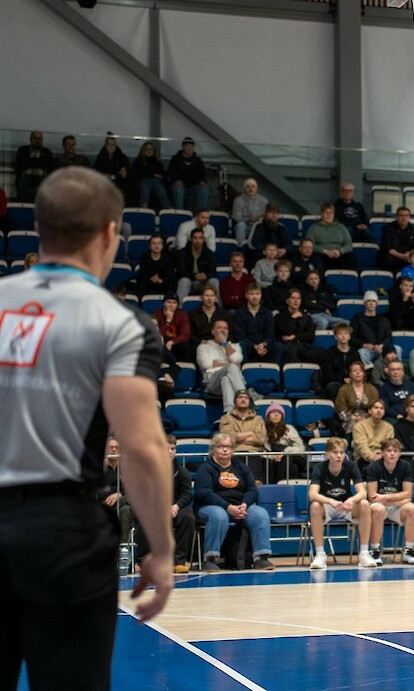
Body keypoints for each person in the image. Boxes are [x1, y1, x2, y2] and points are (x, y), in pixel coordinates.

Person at [1, 168, 177, 685]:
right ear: (109, 234)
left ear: (39, 229)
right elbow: (142, 447)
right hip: (61, 536)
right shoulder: (120, 323)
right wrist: (161, 551)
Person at [193, 433, 275, 571]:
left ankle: (261, 557)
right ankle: (211, 558)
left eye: (228, 447)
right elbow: (204, 493)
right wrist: (228, 507)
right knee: (219, 515)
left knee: (260, 514)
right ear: (213, 449)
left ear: (233, 450)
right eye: (221, 447)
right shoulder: (205, 468)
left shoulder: (242, 467)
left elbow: (252, 490)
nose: (225, 450)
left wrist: (244, 505)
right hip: (210, 506)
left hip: (240, 505)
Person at [135, 436, 196, 575]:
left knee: (188, 517)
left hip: (174, 508)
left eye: (173, 449)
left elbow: (187, 494)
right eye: (166, 448)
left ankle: (179, 561)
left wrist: (177, 506)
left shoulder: (182, 472)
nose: (170, 452)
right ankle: (145, 560)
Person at [307, 437, 366, 570]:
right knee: (315, 506)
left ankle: (364, 553)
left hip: (346, 506)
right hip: (328, 506)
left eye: (341, 452)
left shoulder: (351, 465)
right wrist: (330, 501)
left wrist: (352, 500)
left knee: (364, 504)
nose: (339, 455)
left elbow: (363, 492)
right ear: (327, 454)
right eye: (335, 452)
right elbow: (312, 494)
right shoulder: (319, 468)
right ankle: (320, 554)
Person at [360, 439, 414, 566]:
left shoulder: (405, 466)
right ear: (382, 453)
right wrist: (395, 499)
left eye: (395, 451)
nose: (392, 454)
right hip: (380, 505)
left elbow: (408, 493)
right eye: (388, 451)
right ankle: (375, 551)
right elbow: (372, 496)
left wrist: (386, 498)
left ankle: (408, 551)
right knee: (378, 509)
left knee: (413, 509)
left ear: (399, 453)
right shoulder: (373, 467)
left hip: (395, 505)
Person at [196, 318, 247, 411]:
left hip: (231, 381)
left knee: (226, 379)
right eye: (219, 328)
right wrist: (230, 364)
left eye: (225, 328)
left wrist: (224, 343)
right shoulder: (204, 347)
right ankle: (245, 398)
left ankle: (228, 412)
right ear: (213, 331)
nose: (223, 330)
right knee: (232, 367)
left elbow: (237, 359)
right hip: (212, 381)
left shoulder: (234, 346)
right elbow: (206, 364)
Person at [219, 389, 269, 483]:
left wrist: (237, 438)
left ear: (249, 401)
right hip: (234, 454)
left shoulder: (258, 419)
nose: (243, 399)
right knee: (237, 483)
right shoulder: (226, 418)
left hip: (254, 454)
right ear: (235, 401)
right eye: (240, 397)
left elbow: (261, 439)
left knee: (255, 482)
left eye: (246, 397)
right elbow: (227, 438)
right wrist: (250, 433)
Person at [264, 402, 306, 483]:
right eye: (273, 412)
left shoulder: (289, 428)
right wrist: (274, 456)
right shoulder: (264, 430)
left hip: (294, 456)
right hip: (275, 459)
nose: (276, 415)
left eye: (279, 413)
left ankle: (280, 482)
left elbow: (301, 447)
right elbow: (263, 450)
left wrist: (284, 452)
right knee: (293, 468)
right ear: (268, 415)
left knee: (287, 458)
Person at [167, 137, 209, 212]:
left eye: (191, 146)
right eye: (187, 146)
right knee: (178, 189)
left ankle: (201, 213)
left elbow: (202, 175)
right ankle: (180, 213)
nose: (189, 148)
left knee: (204, 189)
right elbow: (171, 174)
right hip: (179, 186)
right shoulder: (175, 159)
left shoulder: (198, 161)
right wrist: (176, 181)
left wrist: (202, 182)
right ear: (183, 147)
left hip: (193, 187)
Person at [231, 179, 268, 243]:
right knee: (240, 225)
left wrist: (259, 219)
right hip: (245, 226)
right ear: (244, 189)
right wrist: (249, 219)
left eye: (253, 186)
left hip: (258, 226)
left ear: (256, 188)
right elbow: (237, 218)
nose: (251, 189)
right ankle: (240, 247)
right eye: (248, 186)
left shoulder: (264, 201)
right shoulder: (238, 200)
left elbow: (267, 216)